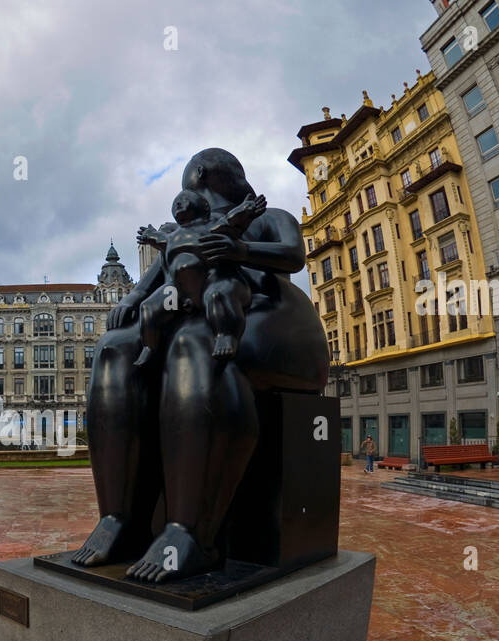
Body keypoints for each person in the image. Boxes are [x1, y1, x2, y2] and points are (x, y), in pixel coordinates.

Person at [73, 148, 329, 582]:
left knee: (196, 343)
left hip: (269, 317)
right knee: (113, 350)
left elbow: (292, 255)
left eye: (199, 181)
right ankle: (119, 518)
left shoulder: (267, 216)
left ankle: (192, 532)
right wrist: (133, 300)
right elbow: (154, 279)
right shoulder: (187, 230)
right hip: (195, 312)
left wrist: (241, 248)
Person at [134, 190, 266, 366]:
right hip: (179, 293)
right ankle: (150, 346)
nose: (179, 204)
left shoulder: (211, 227)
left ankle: (226, 335)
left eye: (184, 200)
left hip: (210, 280)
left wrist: (246, 209)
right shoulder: (172, 236)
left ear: (203, 207)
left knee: (218, 296)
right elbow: (157, 238)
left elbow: (231, 220)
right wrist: (148, 234)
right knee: (149, 308)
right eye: (176, 202)